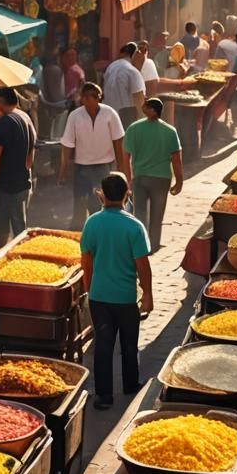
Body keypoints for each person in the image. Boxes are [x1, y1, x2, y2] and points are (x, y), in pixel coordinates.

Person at [80, 172, 153, 409]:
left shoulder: (92, 223)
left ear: (101, 195)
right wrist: (148, 295)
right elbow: (143, 267)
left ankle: (104, 396)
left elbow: (86, 261)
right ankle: (131, 384)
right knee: (129, 345)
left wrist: (89, 290)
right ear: (126, 194)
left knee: (103, 346)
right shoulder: (134, 227)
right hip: (125, 298)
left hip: (100, 297)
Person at [58, 82, 126, 231]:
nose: (90, 100)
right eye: (86, 97)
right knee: (79, 206)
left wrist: (121, 168)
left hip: (104, 167)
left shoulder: (110, 114)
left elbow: (118, 142)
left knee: (100, 205)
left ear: (99, 98)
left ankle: (100, 233)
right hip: (81, 167)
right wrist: (62, 171)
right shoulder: (75, 116)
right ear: (81, 98)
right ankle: (78, 237)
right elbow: (68, 144)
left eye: (94, 97)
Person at [123, 98, 182, 253]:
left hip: (140, 178)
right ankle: (154, 245)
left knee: (140, 213)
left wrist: (128, 179)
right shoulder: (170, 131)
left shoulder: (133, 129)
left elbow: (126, 157)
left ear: (149, 109)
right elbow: (176, 159)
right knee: (157, 215)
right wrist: (179, 181)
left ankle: (141, 245)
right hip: (161, 179)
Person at [0, 87, 36, 253]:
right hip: (23, 184)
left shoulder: (3, 124)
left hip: (4, 189)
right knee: (21, 233)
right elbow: (30, 159)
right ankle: (24, 265)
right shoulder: (25, 117)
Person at [102, 43, 146, 128]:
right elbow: (139, 97)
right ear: (136, 54)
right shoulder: (132, 71)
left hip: (108, 116)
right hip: (127, 118)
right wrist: (143, 123)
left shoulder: (110, 68)